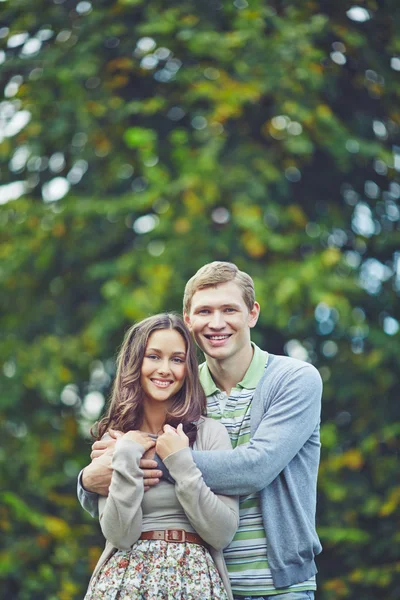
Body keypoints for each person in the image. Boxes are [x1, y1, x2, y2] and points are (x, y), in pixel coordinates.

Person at [79, 262, 322, 600]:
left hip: (278, 585)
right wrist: (87, 480)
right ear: (188, 319)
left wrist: (144, 456)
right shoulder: (179, 392)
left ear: (252, 314)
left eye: (229, 310)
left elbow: (254, 468)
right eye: (205, 311)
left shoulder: (293, 380)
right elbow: (112, 489)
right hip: (207, 582)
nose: (217, 322)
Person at [82, 312, 239, 600]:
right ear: (135, 362)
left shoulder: (210, 434)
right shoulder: (114, 441)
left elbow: (222, 533)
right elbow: (119, 534)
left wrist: (181, 463)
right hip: (126, 579)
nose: (165, 369)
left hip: (196, 581)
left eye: (177, 359)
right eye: (153, 356)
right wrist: (128, 453)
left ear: (188, 369)